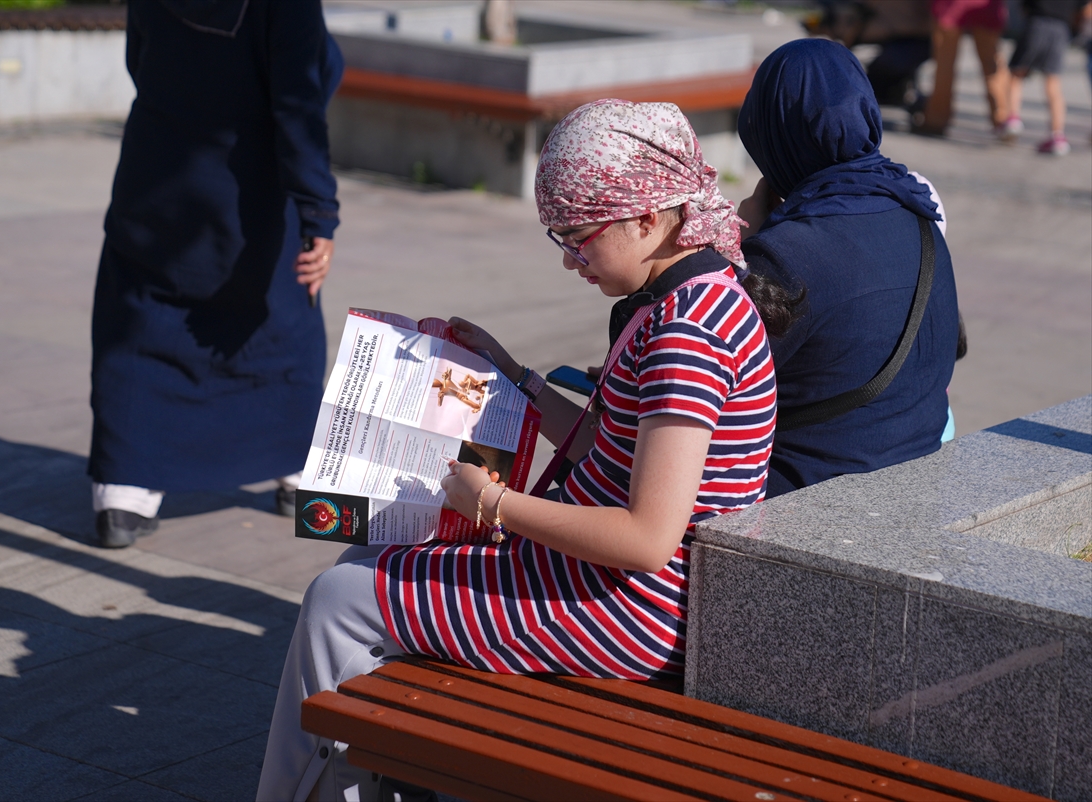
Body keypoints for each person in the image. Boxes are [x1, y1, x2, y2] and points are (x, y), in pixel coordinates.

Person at [255, 99, 780, 802]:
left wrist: (497, 504)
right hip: (616, 589)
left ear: (648, 219)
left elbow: (647, 539)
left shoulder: (685, 334)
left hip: (627, 609)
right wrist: (515, 377)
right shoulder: (693, 296)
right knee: (365, 563)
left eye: (577, 234)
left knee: (338, 600)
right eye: (556, 235)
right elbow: (609, 444)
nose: (569, 259)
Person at [88, 0, 342, 547]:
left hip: (155, 173)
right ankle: (296, 472)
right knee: (281, 327)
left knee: (139, 322)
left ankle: (123, 490)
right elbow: (297, 105)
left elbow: (140, 59)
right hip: (251, 191)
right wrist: (320, 212)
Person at [736, 39, 961, 498]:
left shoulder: (784, 255)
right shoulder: (919, 215)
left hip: (802, 500)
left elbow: (703, 381)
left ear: (772, 131)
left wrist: (741, 250)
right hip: (917, 485)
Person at [1000, 0, 1090, 155]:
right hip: (1060, 29)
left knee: (1016, 75)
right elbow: (1086, 9)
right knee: (1053, 83)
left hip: (1036, 23)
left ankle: (1012, 120)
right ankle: (1057, 136)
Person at [915, 0, 1009, 135]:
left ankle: (936, 120)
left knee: (944, 65)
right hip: (985, 6)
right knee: (991, 65)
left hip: (950, 6)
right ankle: (1002, 119)